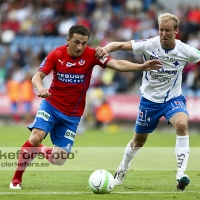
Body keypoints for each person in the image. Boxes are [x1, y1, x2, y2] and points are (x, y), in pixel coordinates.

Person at [9, 24, 162, 189]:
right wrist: (40, 88)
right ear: (68, 40)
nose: (80, 47)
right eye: (76, 42)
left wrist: (141, 67)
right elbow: (36, 76)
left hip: (72, 116)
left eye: (84, 43)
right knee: (36, 136)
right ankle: (16, 180)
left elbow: (116, 64)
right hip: (51, 106)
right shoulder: (56, 54)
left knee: (58, 159)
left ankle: (39, 150)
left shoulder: (92, 54)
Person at [99, 13, 200, 191]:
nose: (163, 34)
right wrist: (105, 48)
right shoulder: (149, 44)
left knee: (182, 125)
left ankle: (181, 174)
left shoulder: (186, 51)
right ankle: (122, 168)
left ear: (176, 31)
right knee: (138, 141)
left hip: (173, 99)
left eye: (167, 30)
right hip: (149, 101)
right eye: (161, 29)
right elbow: (121, 44)